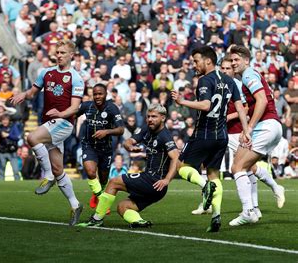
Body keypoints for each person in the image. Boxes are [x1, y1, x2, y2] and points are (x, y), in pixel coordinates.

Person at [171, 46, 249, 232]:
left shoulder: (205, 79)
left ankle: (205, 186)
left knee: (181, 166)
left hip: (204, 133)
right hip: (221, 135)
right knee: (214, 173)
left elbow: (206, 105)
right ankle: (216, 216)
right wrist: (246, 130)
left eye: (196, 61)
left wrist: (182, 101)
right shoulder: (230, 81)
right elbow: (240, 107)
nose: (194, 65)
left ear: (208, 61)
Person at [11, 40, 84, 226]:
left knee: (32, 137)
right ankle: (75, 205)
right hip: (50, 123)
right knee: (60, 169)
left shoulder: (75, 78)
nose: (59, 55)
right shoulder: (46, 73)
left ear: (71, 55)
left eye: (62, 52)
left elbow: (75, 107)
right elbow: (33, 92)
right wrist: (23, 94)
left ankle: (47, 176)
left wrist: (61, 113)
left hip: (64, 122)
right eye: (57, 52)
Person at [77, 104, 179, 228]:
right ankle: (139, 221)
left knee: (114, 182)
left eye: (154, 116)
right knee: (123, 207)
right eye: (148, 116)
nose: (150, 119)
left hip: (154, 180)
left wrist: (167, 180)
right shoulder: (147, 129)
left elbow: (176, 157)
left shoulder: (165, 136)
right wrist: (130, 146)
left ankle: (96, 219)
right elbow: (128, 141)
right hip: (156, 188)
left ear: (163, 118)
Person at [228, 45, 285, 226]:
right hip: (272, 126)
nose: (234, 63)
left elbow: (261, 100)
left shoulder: (248, 74)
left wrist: (249, 128)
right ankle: (259, 203)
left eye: (237, 60)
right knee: (245, 165)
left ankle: (249, 212)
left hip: (266, 126)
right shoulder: (250, 75)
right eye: (232, 60)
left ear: (246, 60)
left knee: (237, 168)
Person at [77, 83, 124, 209]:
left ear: (105, 94)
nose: (97, 96)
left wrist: (107, 131)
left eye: (100, 94)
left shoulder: (112, 108)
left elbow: (121, 129)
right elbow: (72, 115)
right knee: (91, 172)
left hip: (106, 149)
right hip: (89, 145)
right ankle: (101, 200)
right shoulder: (87, 106)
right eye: (95, 94)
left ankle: (96, 194)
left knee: (103, 180)